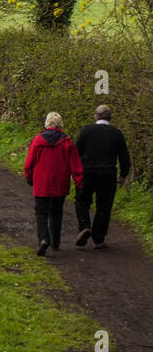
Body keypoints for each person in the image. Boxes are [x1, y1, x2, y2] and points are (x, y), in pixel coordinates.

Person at [24, 112, 84, 255]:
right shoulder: (67, 143)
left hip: (41, 183)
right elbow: (76, 166)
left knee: (41, 212)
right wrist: (79, 183)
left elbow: (29, 162)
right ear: (60, 124)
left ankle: (43, 239)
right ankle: (55, 242)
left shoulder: (38, 140)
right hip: (60, 183)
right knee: (56, 212)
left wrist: (29, 177)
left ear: (47, 123)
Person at [75, 104, 131, 249]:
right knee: (104, 206)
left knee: (82, 200)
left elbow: (76, 152)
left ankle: (84, 226)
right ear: (110, 118)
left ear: (96, 116)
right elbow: (124, 157)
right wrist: (123, 174)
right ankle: (99, 237)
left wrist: (75, 170)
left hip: (87, 172)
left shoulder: (86, 131)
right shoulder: (116, 133)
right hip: (107, 174)